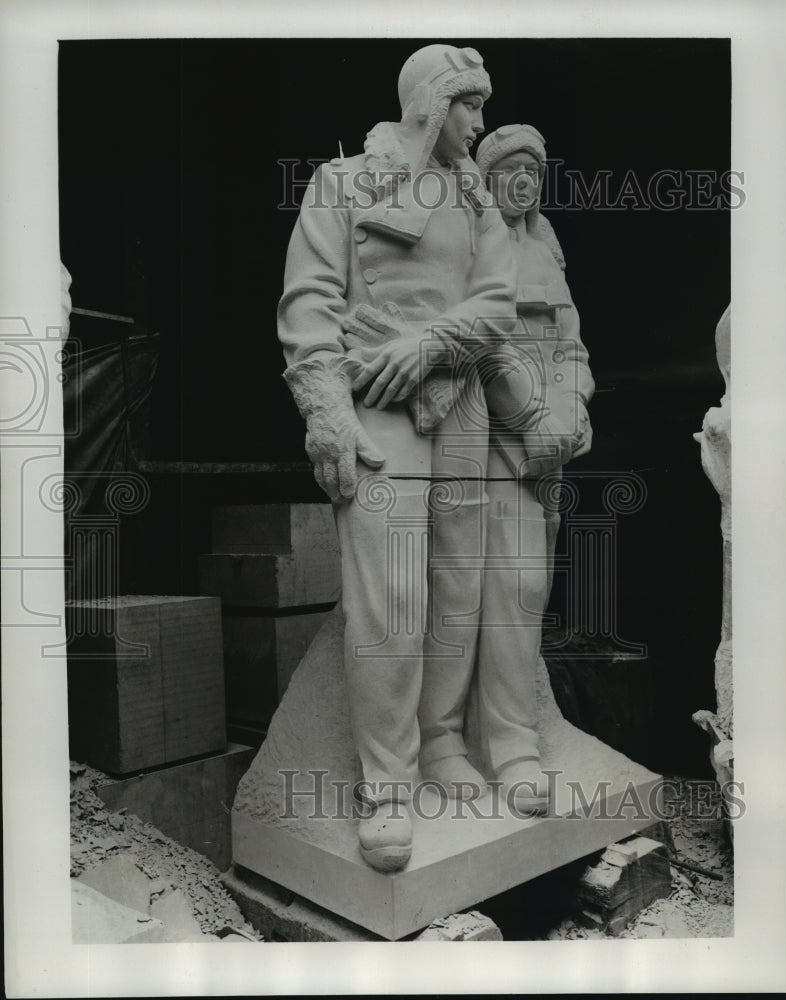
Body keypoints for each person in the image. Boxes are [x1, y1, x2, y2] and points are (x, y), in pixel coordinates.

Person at [277, 44, 517, 871]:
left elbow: (497, 304)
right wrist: (326, 416)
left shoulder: (473, 198)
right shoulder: (340, 183)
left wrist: (429, 345)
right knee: (390, 600)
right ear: (428, 105)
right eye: (468, 107)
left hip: (460, 408)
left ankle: (442, 742)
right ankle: (387, 782)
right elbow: (308, 305)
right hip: (374, 411)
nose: (478, 125)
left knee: (457, 586)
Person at [463, 123, 595, 812]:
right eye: (510, 170)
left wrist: (572, 404)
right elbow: (478, 343)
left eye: (533, 172)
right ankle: (507, 746)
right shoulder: (469, 243)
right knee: (507, 589)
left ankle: (513, 722)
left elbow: (572, 342)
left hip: (553, 441)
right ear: (486, 177)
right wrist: (530, 419)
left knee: (532, 588)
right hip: (495, 437)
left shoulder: (544, 245)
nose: (523, 183)